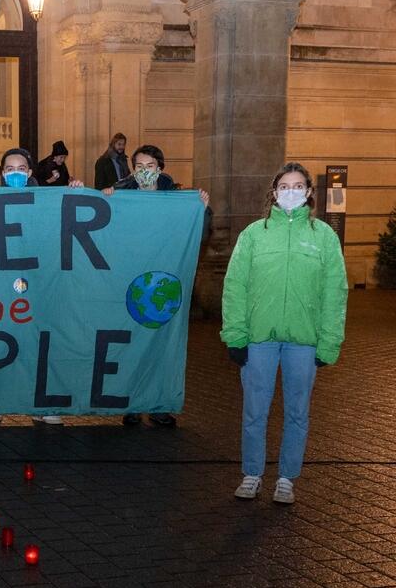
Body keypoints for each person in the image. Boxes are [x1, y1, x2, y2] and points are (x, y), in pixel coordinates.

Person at [221, 162, 347, 505]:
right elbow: (235, 287)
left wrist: (329, 342)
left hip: (303, 342)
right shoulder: (254, 234)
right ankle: (252, 474)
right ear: (274, 193)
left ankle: (287, 479)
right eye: (284, 186)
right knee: (254, 411)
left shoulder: (323, 236)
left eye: (297, 186)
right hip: (259, 338)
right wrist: (235, 335)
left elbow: (335, 293)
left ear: (308, 192)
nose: (290, 191)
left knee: (296, 412)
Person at [0, 148, 84, 426]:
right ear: (2, 174)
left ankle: (41, 404)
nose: (15, 173)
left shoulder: (47, 200)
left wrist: (75, 190)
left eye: (20, 168)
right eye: (9, 169)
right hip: (1, 283)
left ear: (29, 172)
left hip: (38, 282)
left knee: (37, 343)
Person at [103, 144, 209, 428]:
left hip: (162, 283)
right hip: (132, 280)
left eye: (149, 166)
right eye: (138, 166)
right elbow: (106, 229)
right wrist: (107, 200)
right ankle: (133, 403)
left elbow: (201, 229)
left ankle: (159, 404)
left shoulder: (174, 197)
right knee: (132, 344)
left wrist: (200, 208)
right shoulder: (123, 195)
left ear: (160, 168)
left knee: (163, 346)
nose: (144, 171)